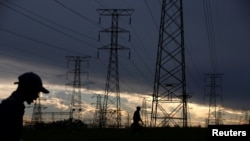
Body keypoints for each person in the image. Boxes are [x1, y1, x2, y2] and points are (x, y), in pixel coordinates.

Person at [0, 72, 49, 141]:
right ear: (28, 89)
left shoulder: (14, 105)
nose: (37, 96)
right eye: (36, 91)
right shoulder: (11, 106)